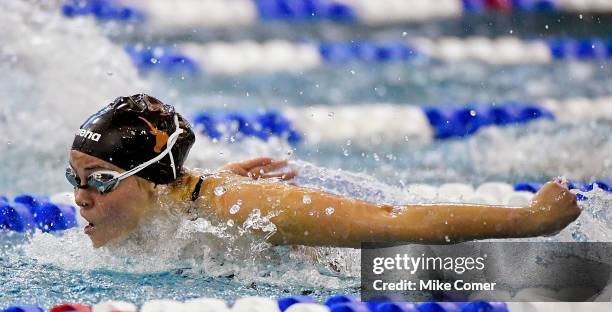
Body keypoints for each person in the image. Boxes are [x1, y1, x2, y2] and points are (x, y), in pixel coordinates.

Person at [68, 94, 582, 249]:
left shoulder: (243, 207)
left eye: (100, 179)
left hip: (357, 283)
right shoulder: (161, 203)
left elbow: (393, 222)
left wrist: (532, 218)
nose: (80, 197)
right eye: (76, 177)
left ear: (151, 180)